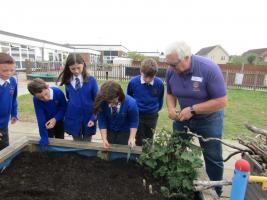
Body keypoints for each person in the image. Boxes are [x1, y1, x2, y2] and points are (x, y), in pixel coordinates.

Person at [165, 41, 227, 196]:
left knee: (213, 156)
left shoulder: (208, 69)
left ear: (186, 57)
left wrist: (193, 110)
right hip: (182, 118)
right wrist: (172, 108)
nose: (171, 68)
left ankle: (215, 192)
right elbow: (170, 93)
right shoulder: (172, 70)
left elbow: (221, 101)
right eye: (169, 64)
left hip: (209, 119)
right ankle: (176, 185)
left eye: (174, 64)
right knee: (175, 150)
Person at [58, 53, 98, 141]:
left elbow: (97, 101)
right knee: (76, 142)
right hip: (73, 118)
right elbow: (69, 98)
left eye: (78, 68)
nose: (76, 71)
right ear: (68, 68)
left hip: (88, 118)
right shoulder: (67, 82)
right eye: (73, 69)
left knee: (87, 142)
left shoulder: (92, 80)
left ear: (83, 65)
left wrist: (93, 117)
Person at [127, 58, 164, 145]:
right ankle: (138, 157)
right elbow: (129, 98)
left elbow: (160, 99)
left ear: (155, 74)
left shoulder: (159, 84)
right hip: (137, 115)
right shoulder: (133, 82)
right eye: (145, 76)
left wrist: (154, 110)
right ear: (141, 72)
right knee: (139, 139)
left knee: (149, 139)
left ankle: (147, 157)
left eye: (151, 77)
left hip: (152, 116)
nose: (147, 79)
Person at [93, 81, 139, 149]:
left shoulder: (131, 103)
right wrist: (104, 139)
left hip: (125, 131)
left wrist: (131, 138)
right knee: (110, 149)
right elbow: (102, 120)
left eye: (112, 101)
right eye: (107, 101)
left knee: (123, 151)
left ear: (119, 95)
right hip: (110, 130)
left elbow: (134, 121)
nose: (109, 105)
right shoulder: (102, 102)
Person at [27, 78, 67, 145]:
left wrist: (55, 119)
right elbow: (40, 118)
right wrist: (43, 137)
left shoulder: (58, 92)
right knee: (48, 139)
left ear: (47, 87)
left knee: (60, 139)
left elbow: (63, 108)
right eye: (41, 98)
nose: (45, 98)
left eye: (46, 94)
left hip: (59, 120)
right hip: (47, 123)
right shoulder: (36, 100)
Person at [0, 53, 18, 150]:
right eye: (5, 70)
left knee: (4, 147)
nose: (9, 73)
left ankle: (4, 165)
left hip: (4, 123)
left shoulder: (13, 81)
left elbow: (14, 98)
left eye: (12, 70)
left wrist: (14, 113)